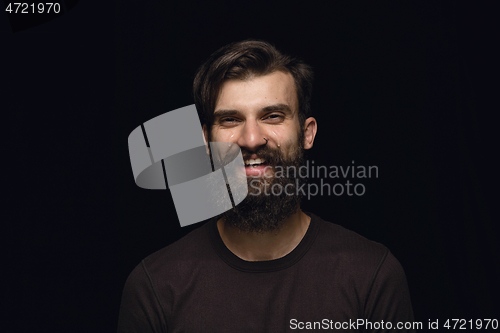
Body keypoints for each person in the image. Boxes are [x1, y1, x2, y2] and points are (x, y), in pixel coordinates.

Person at [118, 40, 415, 332]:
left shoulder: (371, 275)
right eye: (231, 119)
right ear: (207, 142)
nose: (251, 139)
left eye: (272, 116)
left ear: (306, 133)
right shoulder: (155, 286)